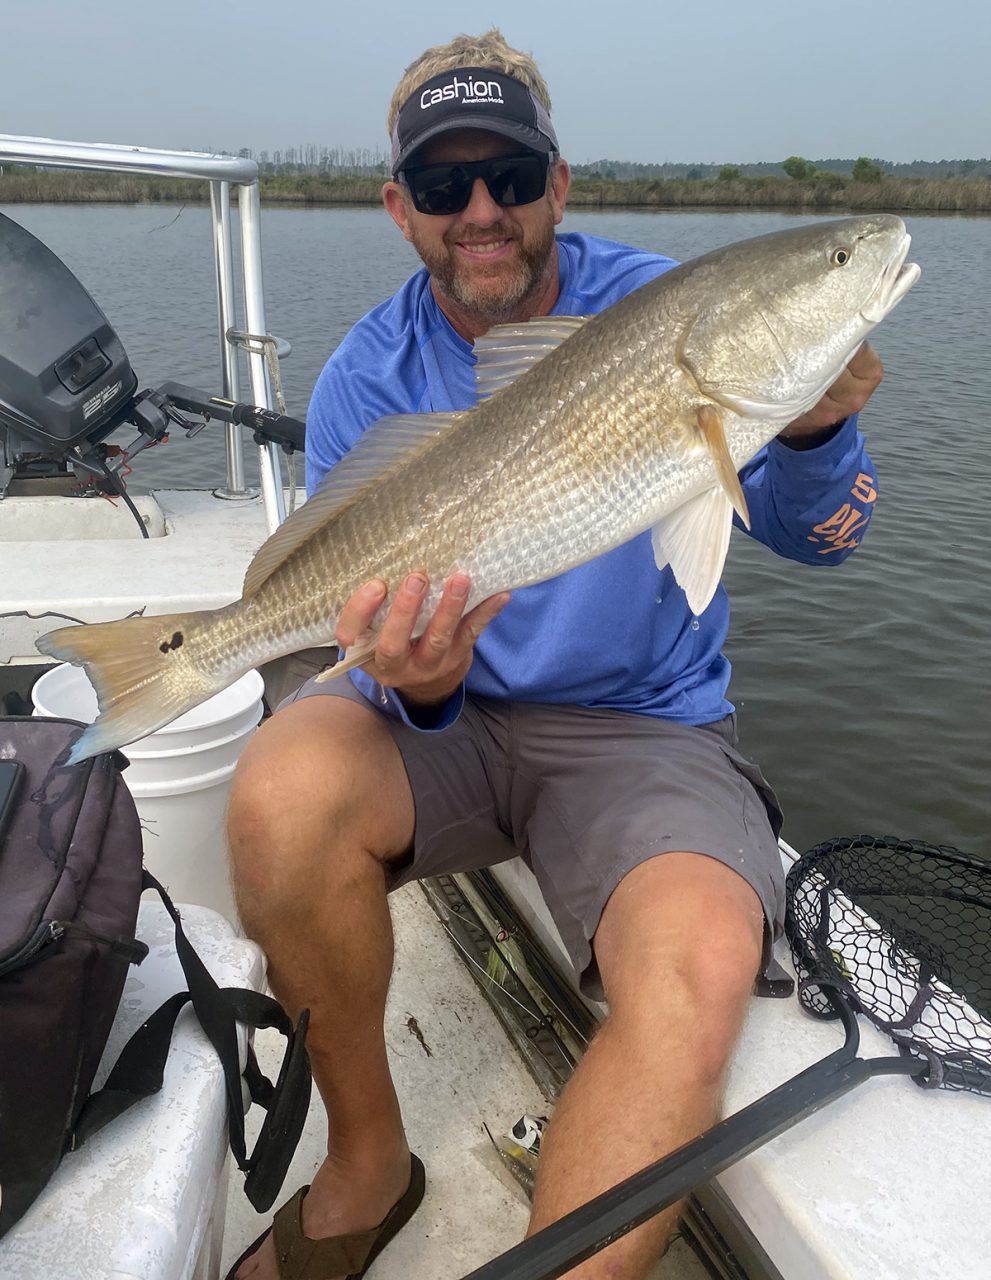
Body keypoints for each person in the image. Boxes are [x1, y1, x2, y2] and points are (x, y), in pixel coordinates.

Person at [225, 27, 884, 1280]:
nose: (481, 212)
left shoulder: (675, 310)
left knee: (699, 960)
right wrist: (417, 689)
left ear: (559, 185)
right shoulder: (369, 369)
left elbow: (829, 542)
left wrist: (807, 434)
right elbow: (369, 637)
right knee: (277, 793)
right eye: (442, 185)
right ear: (400, 209)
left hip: (643, 728)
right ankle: (368, 1167)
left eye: (511, 178)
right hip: (444, 717)